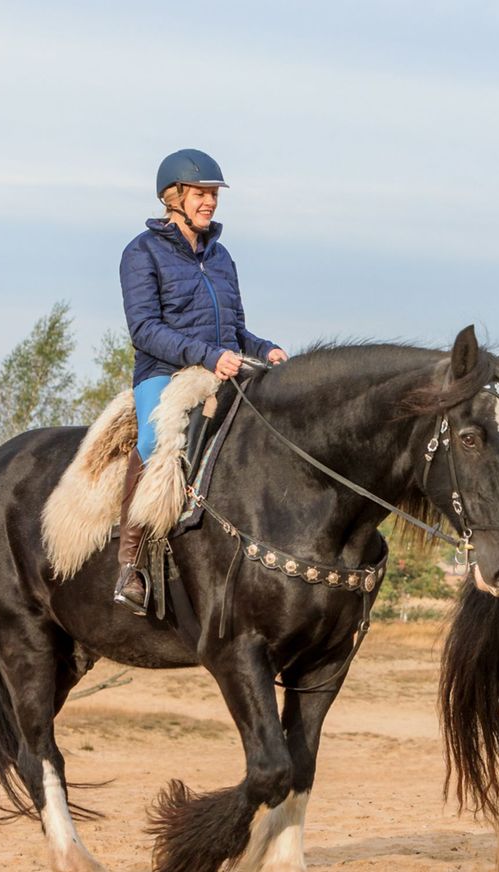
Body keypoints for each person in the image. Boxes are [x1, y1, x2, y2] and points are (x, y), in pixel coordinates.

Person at [110, 148, 288, 615]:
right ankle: (129, 565)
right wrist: (208, 356)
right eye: (200, 194)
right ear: (173, 197)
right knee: (154, 440)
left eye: (213, 194)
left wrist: (264, 348)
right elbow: (144, 329)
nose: (210, 202)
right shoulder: (141, 253)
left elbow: (235, 329)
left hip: (224, 366)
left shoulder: (221, 255)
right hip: (164, 372)